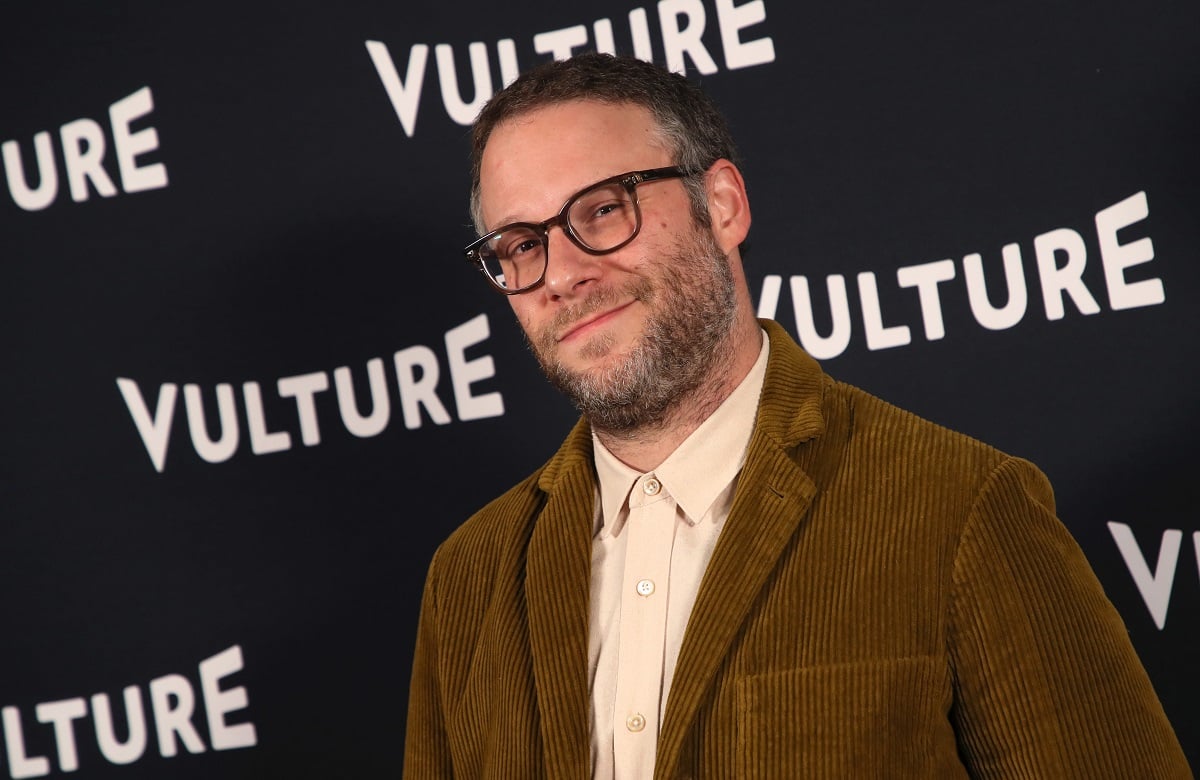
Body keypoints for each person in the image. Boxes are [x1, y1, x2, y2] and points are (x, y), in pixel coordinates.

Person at [403, 53, 1189, 778]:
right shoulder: (469, 576)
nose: (562, 274)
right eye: (519, 245)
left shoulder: (962, 507)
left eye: (603, 210)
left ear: (722, 205)